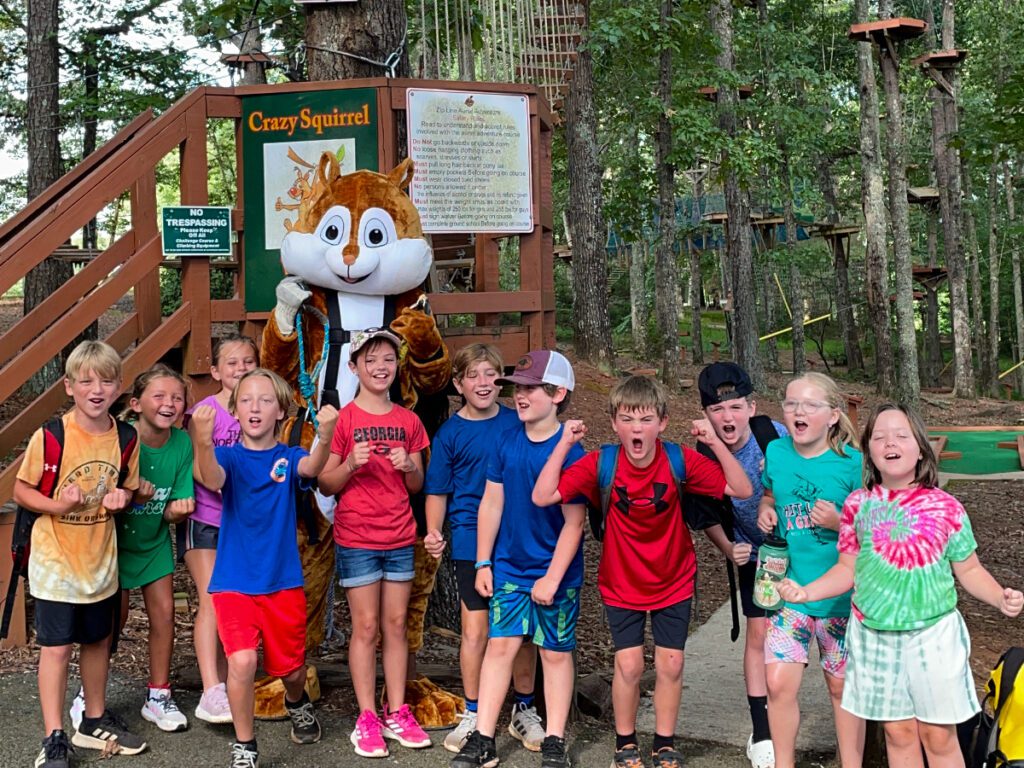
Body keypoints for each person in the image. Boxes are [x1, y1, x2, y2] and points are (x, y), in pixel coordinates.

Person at [779, 403, 1024, 768]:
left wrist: (999, 597)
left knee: (938, 736)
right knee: (898, 734)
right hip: (874, 637)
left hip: (934, 637)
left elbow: (969, 570)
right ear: (870, 452)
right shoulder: (858, 506)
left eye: (900, 435)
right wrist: (808, 592)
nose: (889, 442)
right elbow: (847, 569)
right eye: (879, 437)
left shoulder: (946, 507)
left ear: (921, 447)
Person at [532, 374, 754, 768]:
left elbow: (741, 489)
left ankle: (665, 742)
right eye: (628, 419)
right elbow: (543, 494)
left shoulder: (679, 459)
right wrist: (564, 443)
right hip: (622, 581)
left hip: (674, 577)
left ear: (663, 423)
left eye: (647, 419)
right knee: (630, 664)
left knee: (671, 663)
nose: (638, 428)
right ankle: (625, 742)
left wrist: (715, 442)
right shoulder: (601, 462)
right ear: (615, 423)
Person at [192, 368, 336, 768]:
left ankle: (297, 701)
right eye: (246, 400)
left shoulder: (287, 458)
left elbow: (312, 469)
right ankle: (245, 744)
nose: (255, 407)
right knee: (241, 661)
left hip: (282, 582)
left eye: (265, 400)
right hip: (233, 581)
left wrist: (325, 435)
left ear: (281, 412)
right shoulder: (228, 456)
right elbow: (211, 477)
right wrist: (203, 442)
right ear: (235, 411)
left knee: (291, 671)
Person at [450, 349, 586, 768]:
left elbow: (574, 524)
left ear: (558, 393)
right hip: (508, 566)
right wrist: (483, 561)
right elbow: (492, 502)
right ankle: (484, 737)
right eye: (518, 389)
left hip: (554, 573)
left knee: (554, 652)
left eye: (530, 388)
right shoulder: (506, 440)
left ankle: (555, 740)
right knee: (500, 646)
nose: (520, 396)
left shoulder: (572, 452)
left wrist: (552, 578)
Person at [15, 340, 147, 768]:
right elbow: (22, 489)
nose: (96, 389)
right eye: (86, 381)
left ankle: (92, 720)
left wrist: (122, 500)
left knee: (97, 640)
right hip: (56, 561)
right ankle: (54, 735)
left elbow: (128, 488)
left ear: (120, 388)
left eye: (106, 381)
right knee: (55, 647)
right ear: (69, 386)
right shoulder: (51, 436)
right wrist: (59, 506)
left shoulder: (126, 437)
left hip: (100, 561)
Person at [422, 344, 543, 754]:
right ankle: (473, 713)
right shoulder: (451, 434)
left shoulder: (517, 422)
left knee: (522, 633)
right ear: (458, 383)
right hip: (471, 542)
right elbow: (437, 490)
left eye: (491, 374)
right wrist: (434, 531)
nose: (483, 383)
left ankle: (524, 709)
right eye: (473, 375)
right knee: (475, 631)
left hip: (518, 542)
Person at [318, 328, 433, 759]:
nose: (380, 367)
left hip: (400, 534)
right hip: (357, 536)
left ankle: (397, 710)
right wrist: (349, 463)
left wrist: (408, 466)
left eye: (387, 359)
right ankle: (366, 716)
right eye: (371, 360)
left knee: (396, 625)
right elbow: (325, 483)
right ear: (354, 367)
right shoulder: (344, 419)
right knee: (365, 627)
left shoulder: (409, 421)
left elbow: (419, 482)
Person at [70, 364, 195, 734]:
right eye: (159, 396)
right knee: (111, 623)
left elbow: (177, 503)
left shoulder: (183, 442)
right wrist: (128, 496)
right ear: (137, 403)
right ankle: (88, 697)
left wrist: (175, 511)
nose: (169, 403)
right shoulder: (122, 439)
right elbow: (105, 496)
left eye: (176, 397)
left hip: (153, 541)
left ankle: (158, 695)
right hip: (113, 543)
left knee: (165, 614)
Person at [756, 372, 865, 768]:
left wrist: (841, 522)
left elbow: (874, 529)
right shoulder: (777, 453)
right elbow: (769, 495)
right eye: (790, 403)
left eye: (809, 405)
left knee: (841, 688)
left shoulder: (853, 464)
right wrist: (766, 510)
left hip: (840, 597)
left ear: (834, 415)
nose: (797, 411)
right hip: (789, 590)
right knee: (778, 683)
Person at [696, 362, 787, 768]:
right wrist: (727, 546)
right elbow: (704, 513)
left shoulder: (776, 436)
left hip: (800, 549)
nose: (727, 417)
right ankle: (762, 729)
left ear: (751, 407)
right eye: (717, 410)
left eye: (735, 407)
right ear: (706, 414)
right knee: (758, 635)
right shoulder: (703, 455)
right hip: (755, 554)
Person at [183, 334, 258, 724]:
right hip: (207, 518)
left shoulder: (264, 408)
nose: (240, 369)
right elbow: (198, 470)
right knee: (213, 598)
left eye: (247, 361)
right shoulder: (203, 412)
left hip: (247, 523)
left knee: (240, 602)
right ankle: (211, 688)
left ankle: (234, 685)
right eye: (231, 363)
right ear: (214, 371)